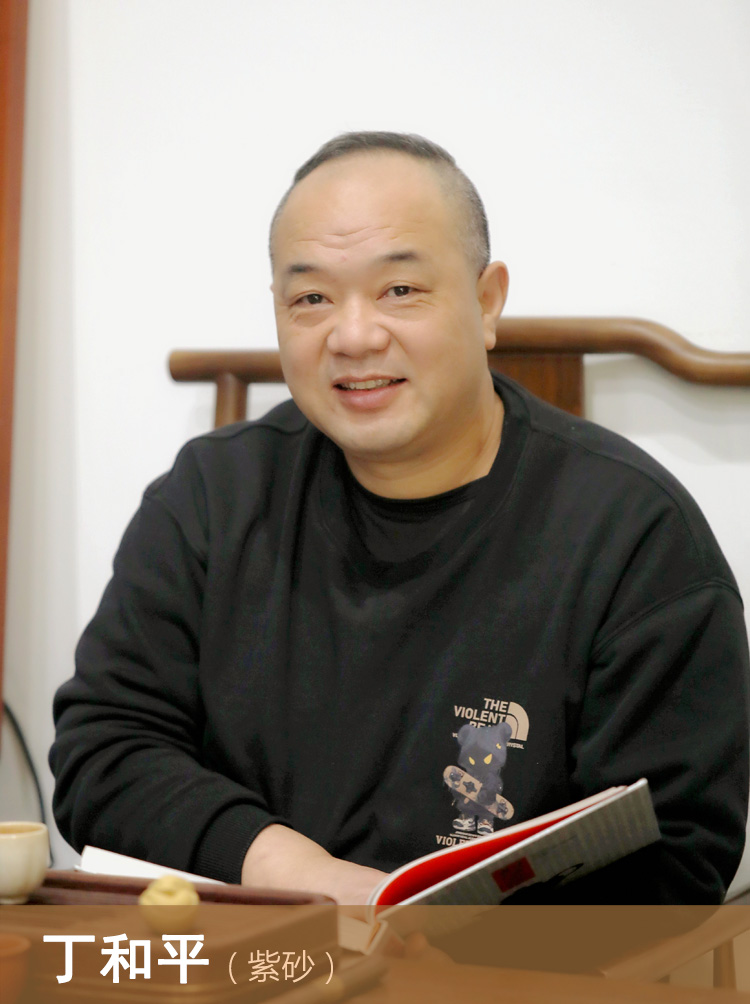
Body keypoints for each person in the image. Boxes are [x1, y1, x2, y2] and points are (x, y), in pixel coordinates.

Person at [50, 132, 749, 908]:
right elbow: (102, 755)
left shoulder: (633, 536)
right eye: (311, 299)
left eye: (400, 290)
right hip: (257, 954)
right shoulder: (212, 498)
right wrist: (314, 882)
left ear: (487, 301)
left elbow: (672, 855)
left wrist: (429, 944)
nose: (354, 336)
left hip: (506, 968)